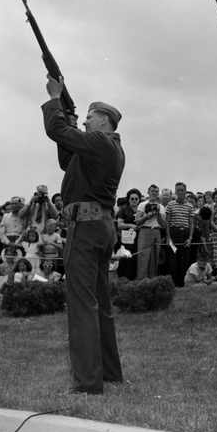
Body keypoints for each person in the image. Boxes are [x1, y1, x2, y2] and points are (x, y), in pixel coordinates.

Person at [42, 74, 125, 395]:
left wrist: (54, 100)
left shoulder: (100, 142)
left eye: (90, 117)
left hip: (86, 229)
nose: (87, 121)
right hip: (99, 227)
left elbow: (55, 131)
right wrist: (70, 119)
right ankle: (108, 372)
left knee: (81, 303)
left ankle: (88, 381)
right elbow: (67, 158)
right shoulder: (102, 147)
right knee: (99, 301)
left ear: (104, 122)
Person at [165, 182, 194, 287]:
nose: (180, 192)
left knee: (184, 260)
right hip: (173, 233)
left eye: (182, 190)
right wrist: (168, 237)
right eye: (178, 190)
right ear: (175, 191)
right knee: (172, 261)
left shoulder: (190, 206)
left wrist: (190, 238)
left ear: (185, 191)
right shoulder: (170, 204)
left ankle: (181, 284)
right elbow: (167, 222)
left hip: (185, 234)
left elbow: (191, 223)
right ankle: (172, 284)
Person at [136, 184, 166, 279]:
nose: (154, 193)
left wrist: (158, 214)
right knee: (143, 258)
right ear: (148, 192)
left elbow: (163, 224)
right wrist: (146, 216)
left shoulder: (160, 206)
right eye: (152, 191)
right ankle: (141, 282)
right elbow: (137, 222)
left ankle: (151, 283)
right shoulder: (142, 204)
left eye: (156, 191)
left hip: (156, 231)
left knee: (154, 259)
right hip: (145, 230)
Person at [115, 188, 141, 280]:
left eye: (136, 199)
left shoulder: (141, 209)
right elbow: (119, 225)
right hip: (126, 238)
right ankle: (123, 278)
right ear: (128, 199)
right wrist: (131, 225)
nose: (134, 200)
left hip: (138, 237)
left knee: (135, 256)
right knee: (126, 256)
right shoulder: (124, 210)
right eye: (132, 198)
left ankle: (134, 277)